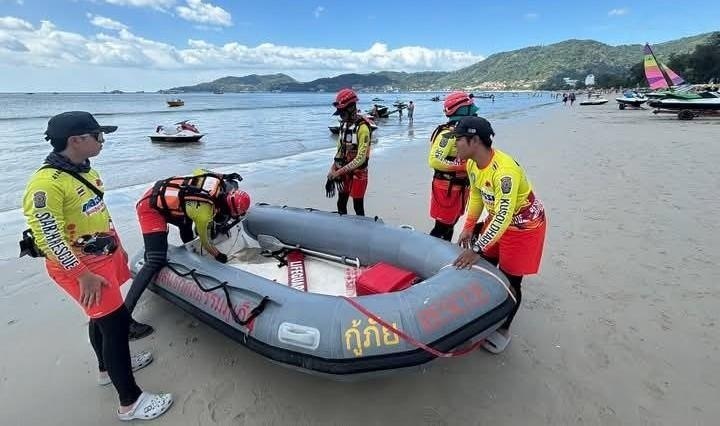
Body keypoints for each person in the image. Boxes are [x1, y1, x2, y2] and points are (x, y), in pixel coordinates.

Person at [22, 111, 173, 420]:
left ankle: (106, 370)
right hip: (81, 269)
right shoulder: (46, 186)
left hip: (101, 259)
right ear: (76, 140)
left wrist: (115, 247)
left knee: (101, 320)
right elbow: (48, 236)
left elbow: (96, 211)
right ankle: (130, 403)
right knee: (116, 327)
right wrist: (83, 275)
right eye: (98, 136)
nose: (104, 141)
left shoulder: (84, 170)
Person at [449, 116, 547, 354]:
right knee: (485, 267)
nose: (455, 145)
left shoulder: (504, 172)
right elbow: (476, 195)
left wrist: (476, 248)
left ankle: (503, 328)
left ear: (474, 141)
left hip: (524, 225)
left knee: (512, 280)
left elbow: (504, 215)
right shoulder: (472, 164)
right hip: (498, 218)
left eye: (458, 140)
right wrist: (469, 225)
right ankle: (484, 311)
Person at [125, 170, 251, 315]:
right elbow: (206, 242)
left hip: (172, 196)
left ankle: (189, 258)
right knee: (156, 259)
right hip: (150, 207)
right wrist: (218, 255)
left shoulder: (217, 183)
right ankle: (126, 315)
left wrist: (224, 175)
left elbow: (200, 171)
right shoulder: (204, 214)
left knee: (186, 226)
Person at [427, 91, 477, 241]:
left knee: (452, 224)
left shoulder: (463, 132)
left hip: (461, 188)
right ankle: (429, 253)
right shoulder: (447, 135)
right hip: (446, 188)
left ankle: (443, 252)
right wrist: (461, 167)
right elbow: (434, 160)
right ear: (462, 111)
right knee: (441, 226)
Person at [327, 88, 374, 216]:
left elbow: (361, 158)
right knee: (341, 203)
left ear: (352, 107)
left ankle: (362, 232)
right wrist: (332, 170)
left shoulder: (363, 128)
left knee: (357, 206)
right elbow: (339, 151)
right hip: (343, 172)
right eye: (340, 113)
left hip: (359, 173)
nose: (341, 116)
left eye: (343, 112)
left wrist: (338, 173)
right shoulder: (343, 126)